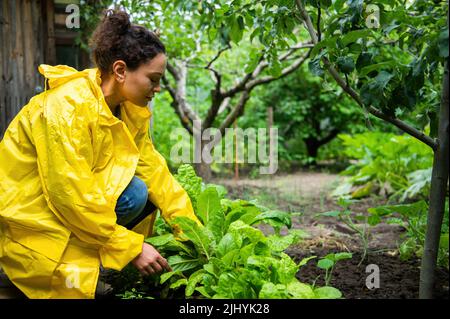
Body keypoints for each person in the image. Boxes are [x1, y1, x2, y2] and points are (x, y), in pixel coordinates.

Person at [0, 10, 201, 299]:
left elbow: (155, 171)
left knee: (139, 191)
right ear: (120, 71)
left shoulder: (129, 111)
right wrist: (130, 247)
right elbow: (69, 195)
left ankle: (97, 256)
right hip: (34, 218)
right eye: (153, 79)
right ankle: (75, 262)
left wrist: (191, 233)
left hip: (69, 204)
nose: (158, 88)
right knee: (129, 199)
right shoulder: (66, 107)